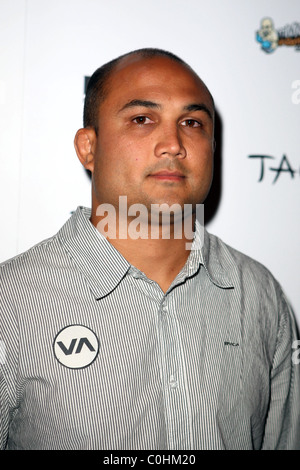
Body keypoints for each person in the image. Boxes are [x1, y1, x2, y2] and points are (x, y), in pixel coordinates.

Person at [0, 48, 299, 450]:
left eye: (192, 123)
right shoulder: (12, 300)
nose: (173, 144)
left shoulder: (260, 294)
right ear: (88, 147)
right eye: (142, 119)